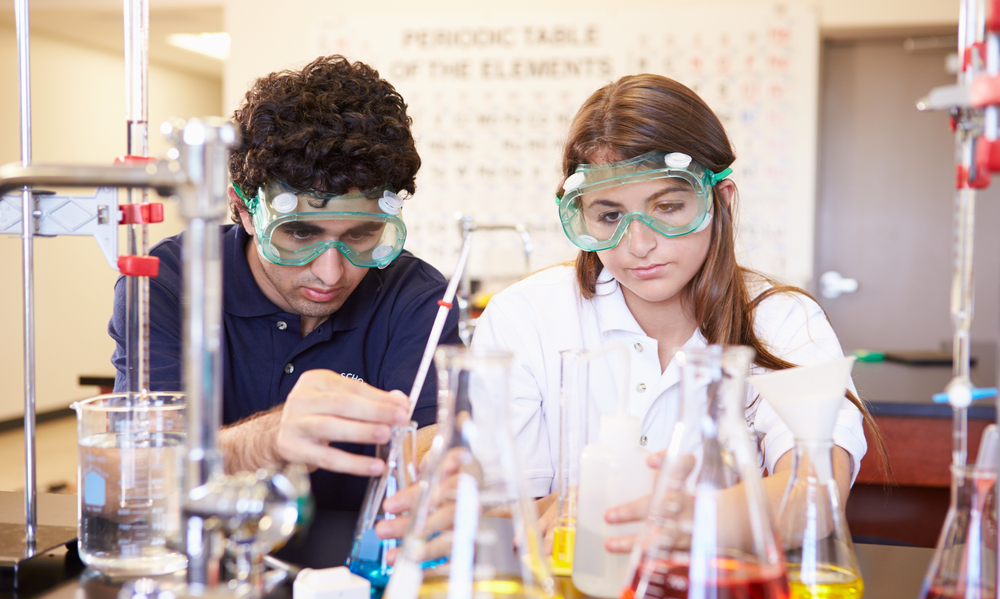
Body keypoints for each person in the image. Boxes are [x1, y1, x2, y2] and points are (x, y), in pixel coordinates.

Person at [470, 73, 886, 552]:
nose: (639, 245)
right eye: (608, 216)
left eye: (667, 206)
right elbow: (498, 511)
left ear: (719, 201)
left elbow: (815, 495)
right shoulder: (524, 318)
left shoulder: (783, 319)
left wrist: (686, 518)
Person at [109, 55, 459, 512]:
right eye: (300, 233)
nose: (331, 273)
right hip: (212, 554)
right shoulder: (170, 282)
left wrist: (444, 474)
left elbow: (434, 450)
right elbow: (137, 468)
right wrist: (269, 437)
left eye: (360, 235)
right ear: (244, 209)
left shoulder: (418, 299)